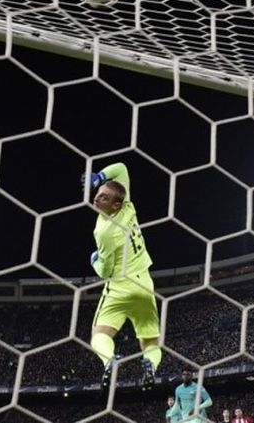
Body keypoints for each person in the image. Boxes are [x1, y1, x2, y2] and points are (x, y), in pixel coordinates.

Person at [85, 163, 161, 391]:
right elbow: (123, 169)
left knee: (99, 334)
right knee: (150, 343)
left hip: (119, 287)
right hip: (144, 284)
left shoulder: (104, 231)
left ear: (115, 204)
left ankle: (110, 360)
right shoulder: (128, 207)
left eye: (104, 198)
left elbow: (105, 272)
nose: (97, 199)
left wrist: (95, 261)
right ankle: (151, 366)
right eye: (98, 194)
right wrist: (102, 177)